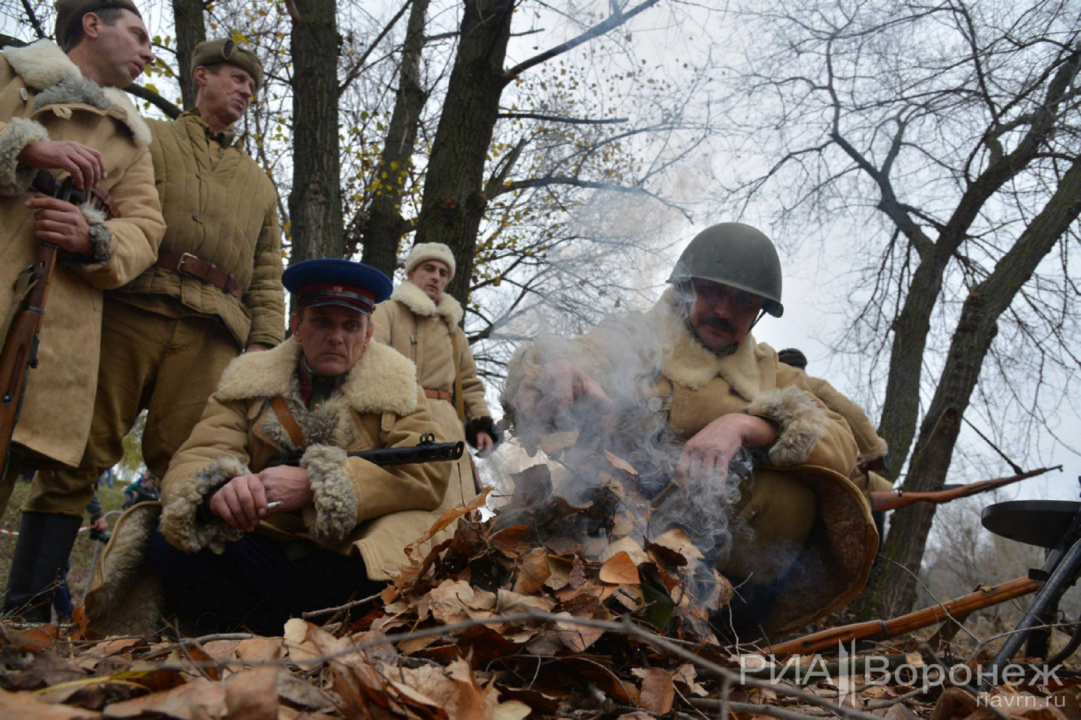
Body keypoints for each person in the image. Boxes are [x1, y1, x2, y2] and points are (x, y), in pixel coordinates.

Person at [503, 222, 878, 637]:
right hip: (611, 531)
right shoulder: (636, 336)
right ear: (686, 288)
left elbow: (838, 438)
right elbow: (589, 353)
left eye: (742, 300)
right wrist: (559, 370)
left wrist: (748, 424)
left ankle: (734, 637)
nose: (724, 309)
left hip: (721, 558)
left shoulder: (773, 373)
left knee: (794, 498)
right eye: (712, 291)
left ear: (758, 312)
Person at [21, 37, 284, 607]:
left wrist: (264, 353)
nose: (246, 91)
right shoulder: (149, 138)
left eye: (253, 86)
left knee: (195, 474)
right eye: (236, 78)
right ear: (201, 77)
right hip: (129, 310)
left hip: (214, 335)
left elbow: (267, 275)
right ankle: (31, 600)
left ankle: (161, 610)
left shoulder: (259, 183)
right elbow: (104, 202)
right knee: (74, 453)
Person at [84, 259, 451, 636]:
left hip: (346, 561)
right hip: (259, 554)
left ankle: (316, 631)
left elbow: (427, 473)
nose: (336, 337)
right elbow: (199, 454)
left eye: (350, 326)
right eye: (322, 322)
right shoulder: (247, 383)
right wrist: (218, 490)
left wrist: (316, 485)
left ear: (369, 333)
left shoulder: (400, 388)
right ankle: (247, 634)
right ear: (297, 326)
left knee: (406, 542)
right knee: (168, 540)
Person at [0, 0, 166, 622]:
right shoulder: (12, 76)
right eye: (139, 34)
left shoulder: (131, 139)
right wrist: (25, 149)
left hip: (54, 320)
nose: (149, 51)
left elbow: (146, 230)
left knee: (9, 457)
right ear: (91, 24)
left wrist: (92, 236)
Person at [372, 243, 498, 529]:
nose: (436, 277)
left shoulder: (455, 332)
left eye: (443, 273)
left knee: (456, 513)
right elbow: (371, 359)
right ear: (411, 273)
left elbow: (469, 384)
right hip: (399, 419)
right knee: (405, 507)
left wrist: (480, 424)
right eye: (429, 268)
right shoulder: (386, 312)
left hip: (448, 428)